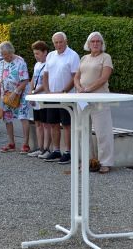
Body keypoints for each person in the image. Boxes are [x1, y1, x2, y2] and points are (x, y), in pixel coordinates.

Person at [75, 31, 116, 174]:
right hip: (83, 99)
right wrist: (79, 88)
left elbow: (104, 78)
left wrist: (88, 89)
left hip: (99, 99)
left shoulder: (106, 57)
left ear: (102, 43)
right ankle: (88, 161)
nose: (95, 43)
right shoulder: (84, 58)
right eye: (93, 41)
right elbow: (77, 77)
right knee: (83, 130)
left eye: (98, 41)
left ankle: (105, 162)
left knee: (103, 132)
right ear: (88, 43)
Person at [42, 31, 79, 164]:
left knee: (67, 124)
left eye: (61, 42)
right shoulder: (50, 55)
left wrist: (64, 91)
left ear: (66, 41)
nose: (58, 45)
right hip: (51, 96)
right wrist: (47, 91)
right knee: (53, 123)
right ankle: (56, 150)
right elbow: (45, 75)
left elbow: (75, 77)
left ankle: (68, 152)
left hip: (66, 96)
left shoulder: (73, 55)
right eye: (56, 42)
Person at [0, 41, 30, 153]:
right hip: (6, 95)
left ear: (11, 52)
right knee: (7, 118)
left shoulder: (20, 62)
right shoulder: (1, 64)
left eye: (6, 54)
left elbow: (25, 80)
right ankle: (11, 143)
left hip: (20, 94)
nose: (5, 57)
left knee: (23, 117)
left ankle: (25, 144)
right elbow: (0, 82)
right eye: (3, 54)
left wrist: (16, 92)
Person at [26, 41, 52, 159]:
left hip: (44, 97)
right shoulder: (37, 65)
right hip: (36, 98)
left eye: (38, 53)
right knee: (38, 123)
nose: (36, 56)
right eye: (34, 54)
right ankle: (40, 147)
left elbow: (46, 82)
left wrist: (34, 93)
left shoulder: (49, 65)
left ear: (45, 52)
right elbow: (33, 79)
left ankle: (47, 148)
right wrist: (31, 93)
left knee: (46, 124)